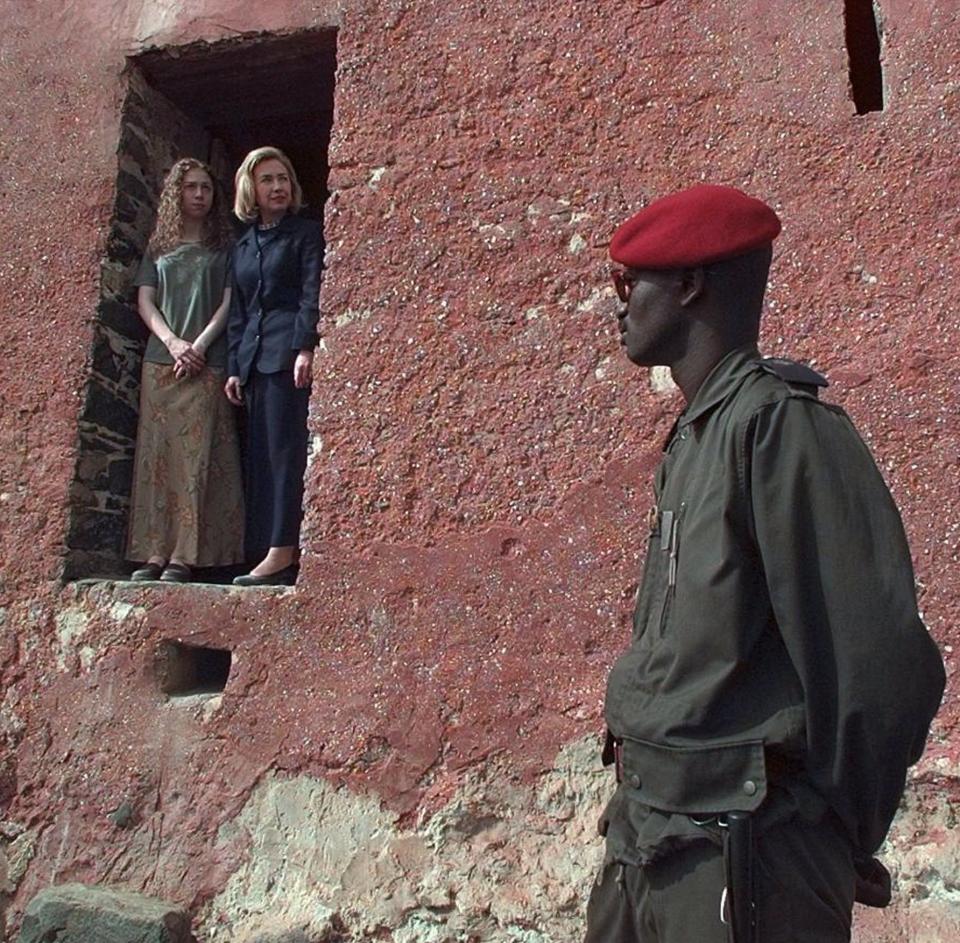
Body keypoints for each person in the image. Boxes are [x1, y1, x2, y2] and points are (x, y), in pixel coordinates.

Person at [585, 184, 945, 943]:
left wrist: (822, 829)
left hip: (746, 856)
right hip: (650, 843)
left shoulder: (780, 430)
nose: (616, 306)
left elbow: (882, 667)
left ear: (688, 285)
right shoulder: (698, 433)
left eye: (628, 284)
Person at [127, 158, 244, 583]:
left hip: (205, 362)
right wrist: (173, 342)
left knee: (196, 460)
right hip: (162, 362)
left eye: (205, 189)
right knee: (157, 459)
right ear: (177, 193)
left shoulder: (224, 246)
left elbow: (230, 302)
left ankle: (184, 556)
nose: (198, 195)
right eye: (191, 188)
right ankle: (153, 552)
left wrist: (197, 345)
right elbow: (145, 300)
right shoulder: (159, 245)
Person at [225, 146, 323, 587]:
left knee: (285, 453)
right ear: (252, 188)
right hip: (254, 360)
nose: (278, 187)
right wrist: (233, 367)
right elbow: (240, 313)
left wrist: (305, 346)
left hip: (287, 356)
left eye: (283, 178)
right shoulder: (243, 246)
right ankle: (264, 547)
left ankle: (284, 548)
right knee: (261, 457)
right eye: (267, 180)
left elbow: (310, 292)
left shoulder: (305, 234)